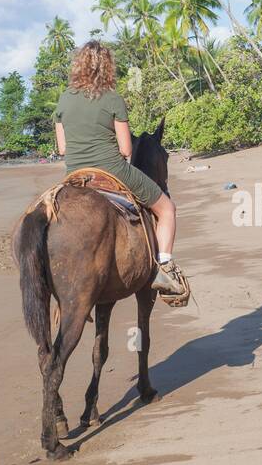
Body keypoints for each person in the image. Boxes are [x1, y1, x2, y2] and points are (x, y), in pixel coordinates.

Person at [54, 41, 187, 297]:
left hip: (74, 176)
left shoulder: (63, 99)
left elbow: (62, 149)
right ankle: (165, 269)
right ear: (107, 66)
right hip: (112, 170)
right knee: (167, 208)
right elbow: (126, 150)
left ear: (78, 66)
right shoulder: (112, 98)